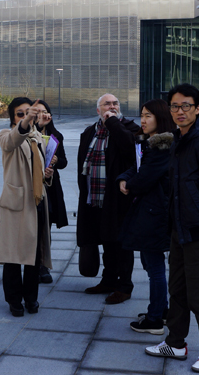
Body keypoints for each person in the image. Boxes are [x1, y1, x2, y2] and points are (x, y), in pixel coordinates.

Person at [145, 84, 199, 373]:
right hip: (180, 229)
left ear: (198, 109)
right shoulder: (179, 139)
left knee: (198, 295)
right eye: (174, 106)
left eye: (186, 106)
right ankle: (176, 342)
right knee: (178, 290)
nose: (179, 111)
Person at [0, 98, 53, 317]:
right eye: (19, 113)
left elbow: (38, 170)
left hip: (36, 201)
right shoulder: (7, 135)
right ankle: (14, 300)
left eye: (28, 112)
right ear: (13, 117)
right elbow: (13, 141)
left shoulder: (38, 138)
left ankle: (31, 298)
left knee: (34, 256)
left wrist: (46, 176)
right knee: (13, 256)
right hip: (16, 204)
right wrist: (26, 122)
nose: (24, 116)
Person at [116, 99, 176, 335]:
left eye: (148, 115)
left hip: (155, 212)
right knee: (153, 265)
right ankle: (161, 311)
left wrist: (129, 184)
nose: (143, 119)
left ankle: (155, 319)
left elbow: (145, 176)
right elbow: (137, 167)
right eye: (142, 114)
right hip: (151, 210)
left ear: (160, 118)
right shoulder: (151, 143)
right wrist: (124, 177)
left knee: (154, 267)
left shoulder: (162, 146)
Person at [77, 93, 139, 304]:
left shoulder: (128, 128)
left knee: (121, 243)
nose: (112, 106)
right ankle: (109, 280)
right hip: (94, 197)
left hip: (118, 198)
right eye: (107, 104)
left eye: (115, 104)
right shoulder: (89, 132)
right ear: (98, 110)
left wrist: (112, 122)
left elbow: (131, 150)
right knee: (105, 240)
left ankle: (124, 286)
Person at [33, 99, 69, 284]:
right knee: (33, 227)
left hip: (50, 185)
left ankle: (43, 265)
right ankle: (31, 264)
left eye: (44, 111)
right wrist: (38, 127)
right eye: (37, 111)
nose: (41, 114)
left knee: (46, 227)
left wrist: (55, 161)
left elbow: (64, 162)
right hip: (31, 186)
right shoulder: (28, 133)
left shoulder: (56, 135)